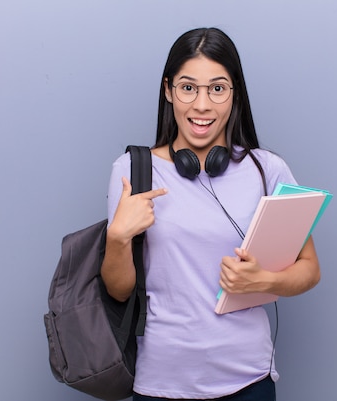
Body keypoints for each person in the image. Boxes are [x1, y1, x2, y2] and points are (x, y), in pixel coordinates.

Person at [101, 27, 321, 401]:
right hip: (161, 382)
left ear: (234, 94)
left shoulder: (267, 170)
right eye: (188, 88)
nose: (202, 105)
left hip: (248, 380)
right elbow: (118, 289)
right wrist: (118, 239)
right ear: (168, 90)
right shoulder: (131, 171)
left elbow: (310, 269)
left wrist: (263, 280)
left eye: (217, 89)